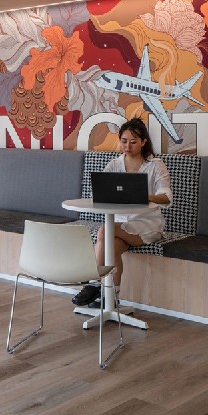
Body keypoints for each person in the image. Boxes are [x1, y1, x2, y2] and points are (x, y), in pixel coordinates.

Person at [71, 117, 172, 307]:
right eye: (124, 141)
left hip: (146, 225)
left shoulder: (155, 165)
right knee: (113, 247)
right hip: (119, 224)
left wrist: (144, 196)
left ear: (143, 142)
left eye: (133, 142)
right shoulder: (114, 165)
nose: (127, 146)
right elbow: (100, 192)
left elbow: (166, 197)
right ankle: (111, 298)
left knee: (104, 231)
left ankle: (93, 283)